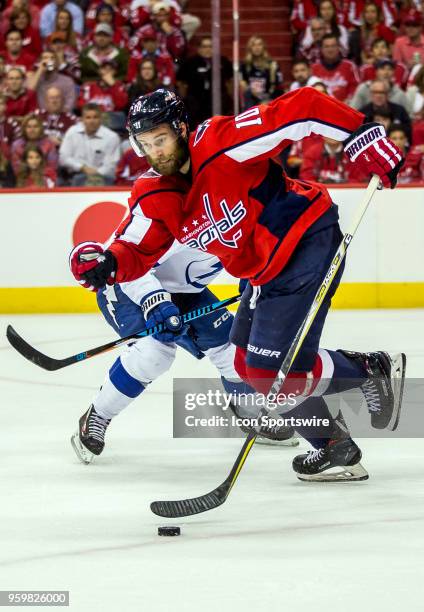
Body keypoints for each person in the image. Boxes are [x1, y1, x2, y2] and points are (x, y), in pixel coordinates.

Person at [70, 88, 407, 482]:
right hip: (266, 274)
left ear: (181, 129)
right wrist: (109, 265)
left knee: (269, 373)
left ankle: (368, 371)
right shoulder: (155, 192)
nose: (155, 152)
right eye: (145, 144)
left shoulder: (219, 142)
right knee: (248, 365)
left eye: (160, 139)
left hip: (305, 241)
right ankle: (334, 444)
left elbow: (301, 108)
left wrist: (360, 132)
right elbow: (135, 249)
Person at [70, 244, 297, 464]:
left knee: (232, 348)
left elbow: (257, 254)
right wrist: (156, 302)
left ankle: (249, 411)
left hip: (186, 291)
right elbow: (130, 257)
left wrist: (260, 282)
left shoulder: (248, 216)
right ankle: (98, 414)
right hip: (129, 285)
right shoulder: (179, 215)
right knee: (154, 353)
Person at [176, 37, 233, 129]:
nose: (208, 49)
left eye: (210, 46)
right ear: (199, 48)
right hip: (196, 100)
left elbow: (230, 81)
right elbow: (181, 82)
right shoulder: (190, 62)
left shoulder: (223, 61)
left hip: (218, 99)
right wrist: (185, 97)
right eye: (205, 46)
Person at [59, 102, 121, 185]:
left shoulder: (112, 137)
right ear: (82, 119)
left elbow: (111, 165)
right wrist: (82, 168)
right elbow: (63, 158)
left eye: (95, 117)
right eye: (88, 117)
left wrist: (95, 173)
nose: (92, 121)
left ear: (101, 119)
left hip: (102, 178)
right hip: (75, 176)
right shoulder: (72, 132)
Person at [311, 34, 359, 102]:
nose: (330, 50)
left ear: (338, 47)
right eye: (326, 46)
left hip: (345, 108)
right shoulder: (314, 68)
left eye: (333, 46)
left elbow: (356, 90)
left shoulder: (350, 66)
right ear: (321, 49)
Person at [240, 36, 283, 110]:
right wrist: (250, 90)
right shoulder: (245, 65)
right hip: (251, 99)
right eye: (254, 45)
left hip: (269, 99)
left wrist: (267, 100)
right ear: (250, 48)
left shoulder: (272, 65)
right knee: (248, 94)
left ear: (264, 47)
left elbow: (278, 86)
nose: (257, 47)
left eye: (259, 44)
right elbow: (242, 83)